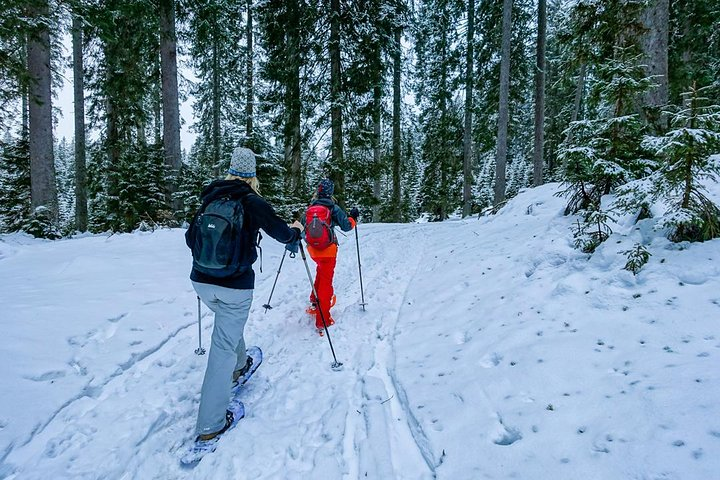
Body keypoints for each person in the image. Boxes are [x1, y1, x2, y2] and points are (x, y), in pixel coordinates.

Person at [185, 146, 302, 441]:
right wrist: (296, 230)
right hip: (234, 287)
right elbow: (282, 233)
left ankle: (240, 366)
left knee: (227, 327)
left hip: (201, 282)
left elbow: (190, 239)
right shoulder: (251, 201)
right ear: (251, 175)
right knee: (222, 346)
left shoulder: (210, 196)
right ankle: (210, 425)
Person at [303, 178, 359, 334]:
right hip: (328, 250)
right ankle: (323, 320)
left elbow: (302, 228)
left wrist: (311, 243)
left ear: (319, 191)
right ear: (330, 193)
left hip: (313, 251)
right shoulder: (333, 208)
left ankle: (314, 300)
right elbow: (347, 227)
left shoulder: (311, 208)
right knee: (326, 281)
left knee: (320, 271)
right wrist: (353, 218)